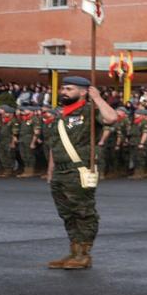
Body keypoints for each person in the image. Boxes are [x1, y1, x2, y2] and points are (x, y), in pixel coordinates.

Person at [43, 75, 121, 270]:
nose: (64, 92)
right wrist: (50, 170)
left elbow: (111, 118)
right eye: (63, 89)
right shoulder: (61, 114)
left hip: (78, 170)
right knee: (67, 213)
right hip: (60, 171)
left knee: (83, 212)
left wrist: (97, 98)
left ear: (83, 91)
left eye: (69, 89)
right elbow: (55, 144)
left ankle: (84, 254)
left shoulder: (90, 110)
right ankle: (74, 251)